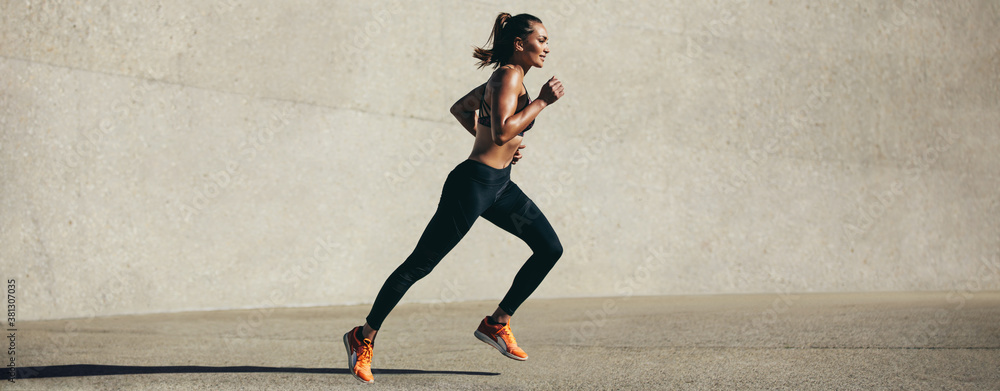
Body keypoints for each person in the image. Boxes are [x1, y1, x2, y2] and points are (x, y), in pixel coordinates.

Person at [343, 12, 565, 383]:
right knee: (420, 265)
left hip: (500, 186)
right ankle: (361, 336)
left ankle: (497, 323)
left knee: (549, 248)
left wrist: (506, 142)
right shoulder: (510, 75)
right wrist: (541, 103)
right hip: (473, 187)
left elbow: (462, 109)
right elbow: (499, 132)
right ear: (519, 43)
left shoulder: (511, 79)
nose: (547, 46)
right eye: (541, 39)